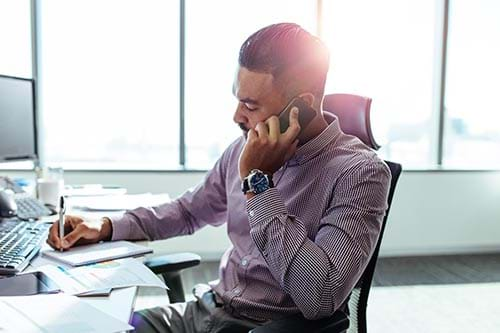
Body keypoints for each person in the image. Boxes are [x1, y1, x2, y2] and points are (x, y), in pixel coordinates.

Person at [47, 23, 391, 333]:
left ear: (300, 106)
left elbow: (320, 296)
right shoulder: (240, 149)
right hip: (207, 310)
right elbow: (188, 211)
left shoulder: (359, 173)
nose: (236, 116)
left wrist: (259, 183)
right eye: (237, 100)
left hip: (264, 328)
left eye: (251, 105)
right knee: (85, 326)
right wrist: (106, 226)